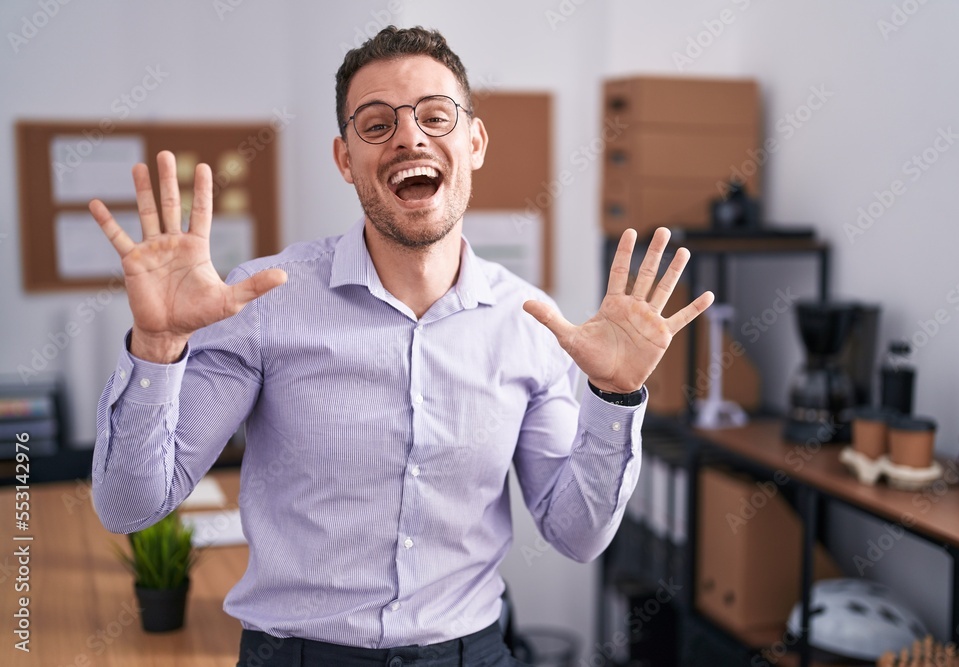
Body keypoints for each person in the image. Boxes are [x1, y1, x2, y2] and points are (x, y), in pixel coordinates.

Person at [88, 25, 713, 667]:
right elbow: (130, 504)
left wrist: (615, 396)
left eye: (436, 117)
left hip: (473, 652)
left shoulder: (530, 321)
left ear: (473, 142)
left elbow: (576, 534)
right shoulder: (263, 300)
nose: (410, 136)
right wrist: (158, 345)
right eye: (377, 124)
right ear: (344, 158)